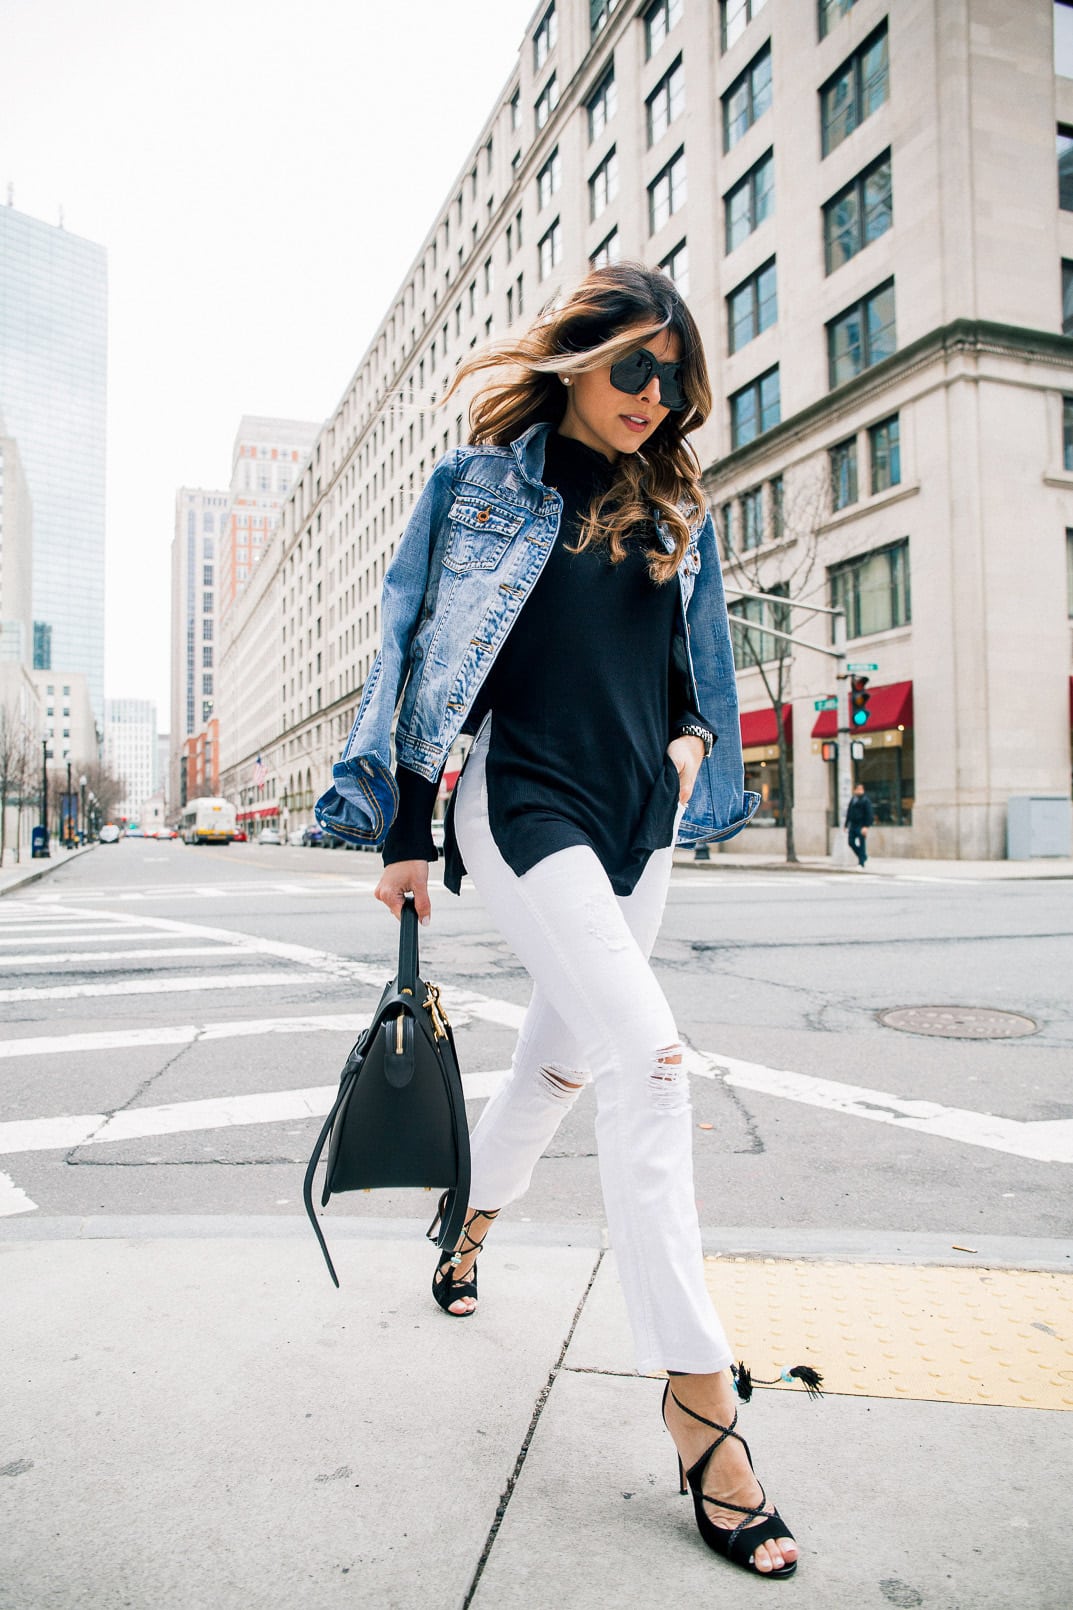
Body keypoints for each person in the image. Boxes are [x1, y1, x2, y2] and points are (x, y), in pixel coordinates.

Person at [317, 264, 798, 1578]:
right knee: (649, 1058)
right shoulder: (474, 488)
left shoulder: (678, 499)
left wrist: (696, 746)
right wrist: (405, 833)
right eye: (632, 367)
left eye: (673, 376)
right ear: (576, 357)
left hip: (637, 811)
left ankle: (470, 1221)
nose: (653, 396)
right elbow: (413, 651)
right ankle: (701, 1409)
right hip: (521, 805)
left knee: (567, 1057)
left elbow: (695, 667)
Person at [845, 782, 875, 868]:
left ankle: (861, 863)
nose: (860, 791)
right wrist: (846, 824)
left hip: (861, 825)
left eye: (861, 789)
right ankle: (863, 856)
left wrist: (866, 826)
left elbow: (869, 814)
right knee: (850, 842)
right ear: (854, 790)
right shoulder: (853, 800)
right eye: (858, 789)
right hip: (853, 824)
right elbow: (849, 812)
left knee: (862, 844)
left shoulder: (866, 800)